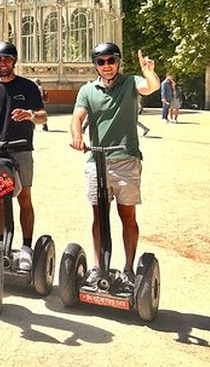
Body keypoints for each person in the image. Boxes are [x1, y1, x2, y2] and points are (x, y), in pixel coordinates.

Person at [69, 42, 159, 294]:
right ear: (95, 65)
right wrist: (77, 136)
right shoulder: (88, 90)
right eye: (101, 62)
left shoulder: (131, 83)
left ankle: (129, 270)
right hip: (96, 160)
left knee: (126, 215)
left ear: (118, 62)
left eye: (111, 61)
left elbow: (149, 86)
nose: (107, 66)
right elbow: (77, 117)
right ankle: (98, 267)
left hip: (126, 159)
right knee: (99, 216)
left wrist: (149, 71)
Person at [0, 41, 47, 272]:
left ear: (14, 61)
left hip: (21, 149)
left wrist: (30, 114)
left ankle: (26, 247)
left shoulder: (28, 87)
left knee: (24, 198)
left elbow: (43, 116)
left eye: (7, 59)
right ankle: (0, 244)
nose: (3, 63)